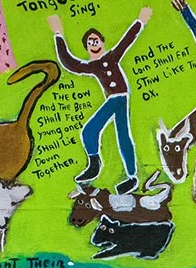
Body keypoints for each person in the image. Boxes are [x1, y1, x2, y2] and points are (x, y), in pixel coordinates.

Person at [50, 9, 151, 193]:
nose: (94, 44)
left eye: (96, 40)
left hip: (119, 98)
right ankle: (111, 169)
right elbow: (70, 63)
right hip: (115, 99)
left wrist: (140, 22)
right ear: (87, 49)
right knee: (116, 134)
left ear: (103, 43)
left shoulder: (112, 57)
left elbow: (126, 41)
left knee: (109, 133)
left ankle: (124, 174)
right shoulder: (92, 66)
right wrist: (58, 35)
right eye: (90, 42)